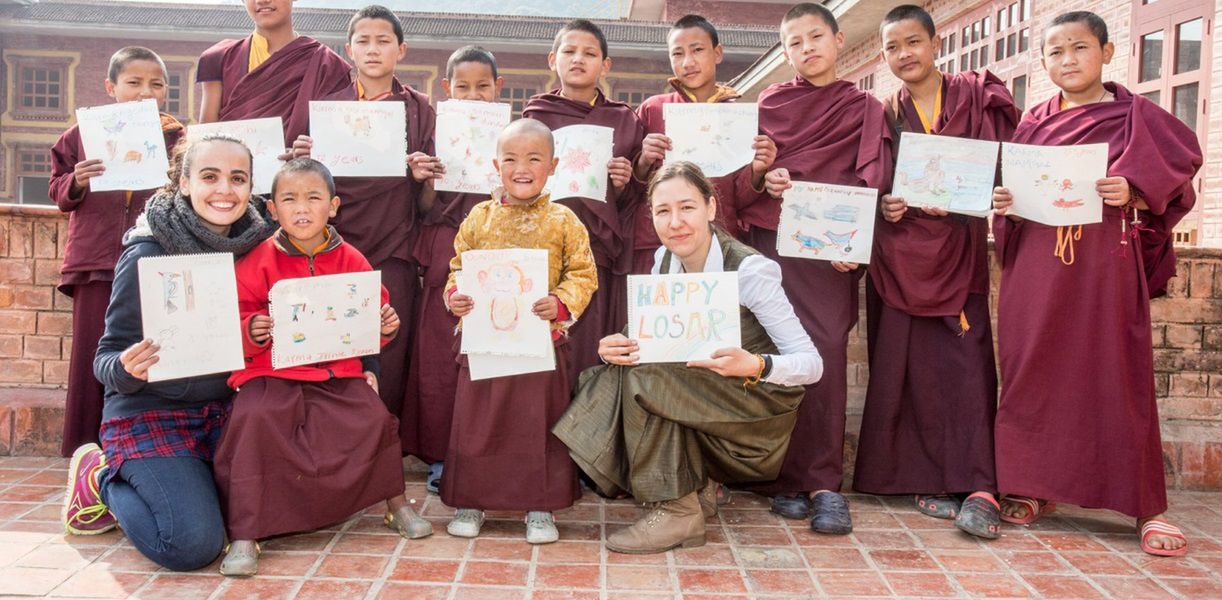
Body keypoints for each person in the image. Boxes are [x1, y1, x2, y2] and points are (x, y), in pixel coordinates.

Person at [991, 11, 1201, 557]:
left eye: (1079, 48)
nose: (1068, 61)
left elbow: (1178, 174)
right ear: (1043, 63)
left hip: (1103, 262)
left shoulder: (1138, 116)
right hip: (1036, 263)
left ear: (1107, 53)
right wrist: (1007, 207)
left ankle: (1145, 506)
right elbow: (1013, 188)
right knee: (1030, 368)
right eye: (1055, 52)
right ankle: (1035, 486)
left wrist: (1133, 191)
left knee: (1117, 372)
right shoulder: (1033, 122)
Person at [555, 161, 822, 554]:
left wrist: (755, 364)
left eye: (687, 207)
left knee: (645, 381)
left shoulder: (750, 270)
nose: (676, 222)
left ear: (712, 208)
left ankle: (678, 510)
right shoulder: (664, 260)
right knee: (603, 376)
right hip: (703, 390)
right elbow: (653, 340)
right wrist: (617, 345)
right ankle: (695, 490)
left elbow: (811, 364)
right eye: (663, 211)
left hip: (756, 406)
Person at [61, 134, 274, 570]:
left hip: (229, 412)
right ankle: (100, 478)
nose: (224, 191)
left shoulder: (263, 246)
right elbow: (105, 358)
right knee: (191, 544)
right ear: (182, 182)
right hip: (151, 411)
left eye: (238, 179)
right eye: (209, 177)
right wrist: (125, 368)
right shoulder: (147, 252)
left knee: (269, 518)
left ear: (251, 187)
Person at [213, 158, 431, 577]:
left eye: (313, 198)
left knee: (375, 419)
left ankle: (396, 503)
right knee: (254, 421)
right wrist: (251, 329)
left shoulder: (351, 259)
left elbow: (373, 316)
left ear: (333, 206)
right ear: (272, 209)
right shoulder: (257, 260)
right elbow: (230, 319)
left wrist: (385, 326)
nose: (302, 208)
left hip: (336, 372)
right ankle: (246, 530)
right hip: (271, 373)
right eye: (289, 199)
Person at [853, 4, 1019, 539]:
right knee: (909, 368)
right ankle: (917, 477)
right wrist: (885, 207)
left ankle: (978, 484)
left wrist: (988, 194)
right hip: (901, 254)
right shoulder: (884, 111)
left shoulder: (976, 97)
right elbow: (870, 182)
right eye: (893, 48)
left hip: (960, 251)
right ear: (884, 56)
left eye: (913, 43)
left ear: (935, 42)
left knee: (967, 367)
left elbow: (1007, 162)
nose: (904, 55)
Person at [731, 3, 892, 534]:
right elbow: (746, 178)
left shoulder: (863, 105)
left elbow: (874, 177)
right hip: (775, 246)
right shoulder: (771, 103)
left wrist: (859, 243)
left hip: (829, 255)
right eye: (795, 42)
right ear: (786, 50)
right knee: (772, 353)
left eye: (815, 37)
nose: (807, 48)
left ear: (839, 40)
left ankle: (823, 482)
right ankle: (781, 476)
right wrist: (763, 178)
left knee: (822, 357)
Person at [442, 118, 598, 544]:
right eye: (510, 159)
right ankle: (471, 501)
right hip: (484, 343)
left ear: (553, 165)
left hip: (540, 343)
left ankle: (540, 507)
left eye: (534, 158)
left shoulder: (564, 219)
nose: (521, 167)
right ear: (496, 164)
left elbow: (583, 273)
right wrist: (455, 296)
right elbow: (457, 268)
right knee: (479, 423)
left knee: (538, 425)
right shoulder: (479, 217)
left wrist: (561, 303)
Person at [288, 6, 436, 438]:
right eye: (364, 41)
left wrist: (420, 175)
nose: (373, 50)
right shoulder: (327, 109)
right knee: (331, 343)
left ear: (401, 50)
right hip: (333, 245)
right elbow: (301, 181)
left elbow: (427, 203)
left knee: (389, 347)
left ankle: (382, 442)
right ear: (349, 49)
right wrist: (304, 156)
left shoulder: (419, 108)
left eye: (383, 40)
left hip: (394, 244)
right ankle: (332, 441)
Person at [50, 47, 186, 457]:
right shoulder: (81, 135)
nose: (146, 92)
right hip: (96, 262)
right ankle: (84, 451)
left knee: (148, 353)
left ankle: (137, 444)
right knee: (93, 355)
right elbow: (59, 192)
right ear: (111, 87)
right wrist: (76, 180)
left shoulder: (178, 138)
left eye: (156, 84)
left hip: (153, 257)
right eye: (134, 82)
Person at [405, 45, 505, 494]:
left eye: (483, 86)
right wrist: (424, 180)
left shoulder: (509, 139)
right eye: (463, 87)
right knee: (439, 358)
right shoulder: (436, 137)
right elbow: (427, 209)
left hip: (496, 249)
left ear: (498, 89)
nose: (473, 95)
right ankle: (441, 454)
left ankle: (483, 451)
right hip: (446, 246)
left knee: (486, 355)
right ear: (447, 90)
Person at [522, 19, 644, 374]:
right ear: (552, 59)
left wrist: (625, 182)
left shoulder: (624, 119)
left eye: (589, 53)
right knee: (548, 348)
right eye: (569, 51)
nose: (578, 59)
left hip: (598, 248)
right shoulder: (536, 115)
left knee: (590, 345)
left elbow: (634, 199)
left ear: (605, 65)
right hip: (546, 248)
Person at [631, 15, 777, 272]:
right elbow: (630, 188)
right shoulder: (653, 110)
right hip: (660, 241)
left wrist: (758, 170)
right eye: (677, 54)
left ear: (717, 53)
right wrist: (643, 161)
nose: (688, 62)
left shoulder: (738, 118)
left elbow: (739, 198)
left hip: (719, 239)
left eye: (697, 50)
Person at [197, 0, 350, 144]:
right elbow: (206, 140)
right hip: (232, 168)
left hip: (301, 170)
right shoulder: (220, 58)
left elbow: (334, 140)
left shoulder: (327, 65)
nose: (262, 0)